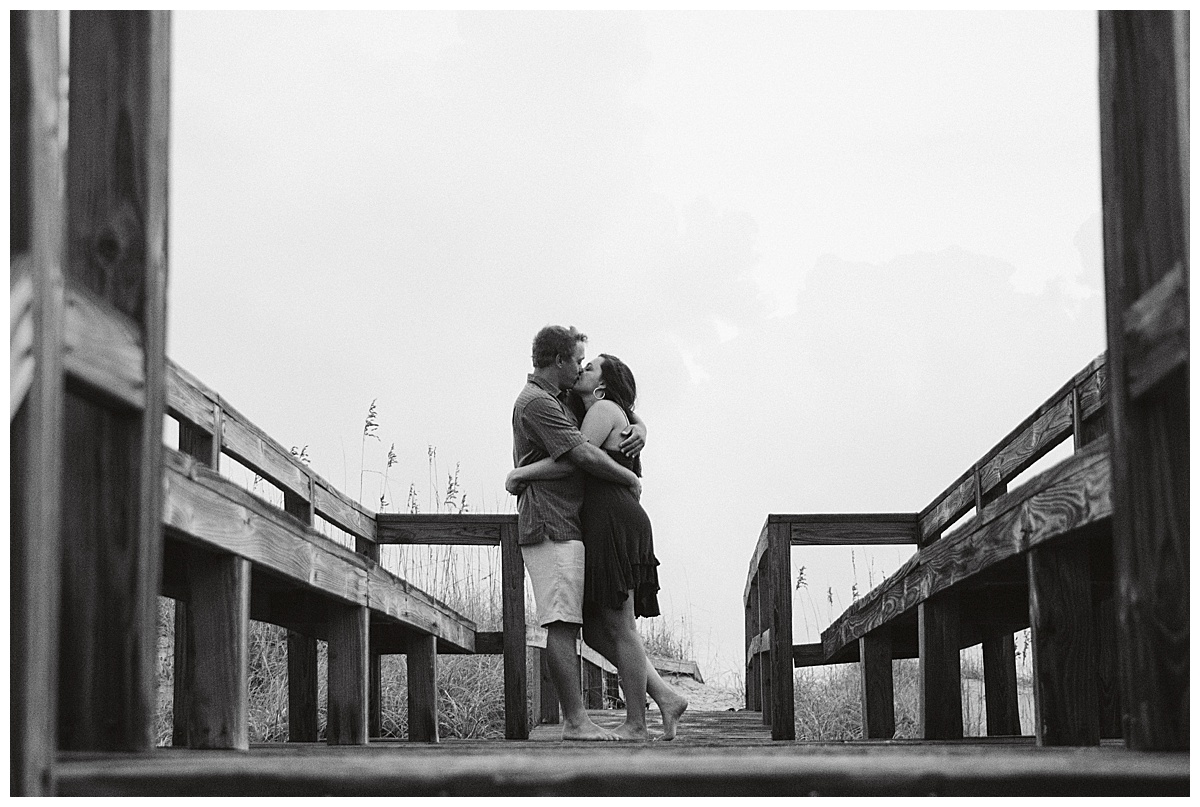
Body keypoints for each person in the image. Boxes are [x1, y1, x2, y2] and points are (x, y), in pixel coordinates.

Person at [508, 352, 688, 741]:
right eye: (580, 363)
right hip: (603, 519)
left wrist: (521, 473)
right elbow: (612, 424)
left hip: (613, 519)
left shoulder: (602, 407)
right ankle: (665, 696)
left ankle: (637, 725)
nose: (582, 368)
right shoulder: (589, 406)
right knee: (594, 630)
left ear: (603, 386)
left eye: (590, 367)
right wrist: (641, 424)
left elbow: (577, 458)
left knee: (620, 626)